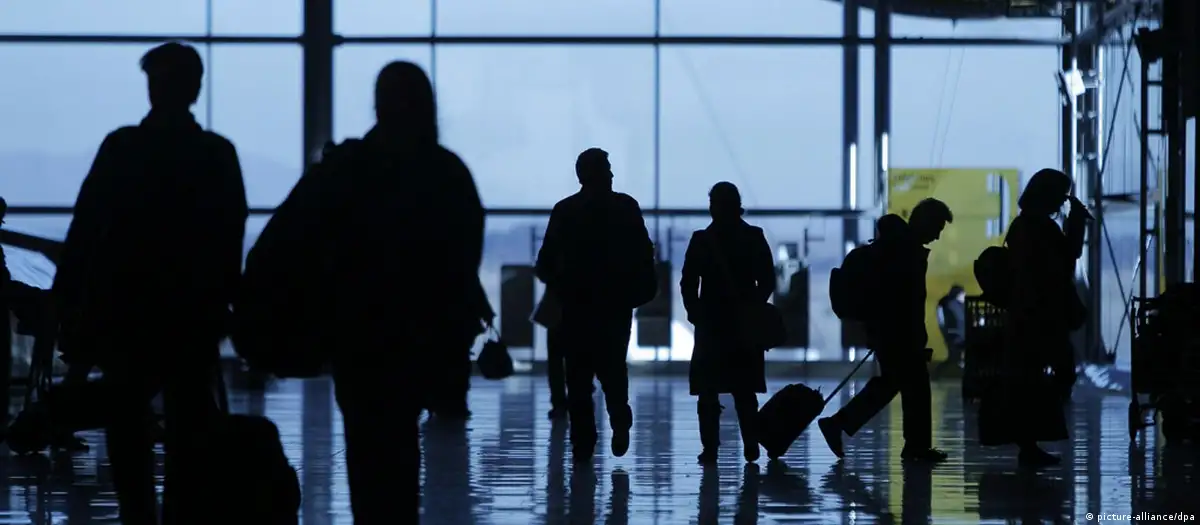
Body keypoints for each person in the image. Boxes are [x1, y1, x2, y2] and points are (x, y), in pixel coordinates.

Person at [52, 42, 247, 523]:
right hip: (190, 313)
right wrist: (226, 302)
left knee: (125, 420)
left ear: (152, 87)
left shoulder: (122, 148)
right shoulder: (216, 155)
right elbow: (229, 237)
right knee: (187, 422)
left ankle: (137, 514)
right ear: (196, 88)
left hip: (125, 310)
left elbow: (85, 228)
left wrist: (68, 298)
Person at [299, 61, 482, 521]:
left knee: (367, 455)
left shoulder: (347, 168)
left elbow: (314, 246)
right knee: (399, 453)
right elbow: (461, 262)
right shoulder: (446, 173)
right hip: (418, 341)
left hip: (358, 340)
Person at [535, 148, 655, 463]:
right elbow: (644, 255)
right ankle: (619, 415)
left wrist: (560, 281)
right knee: (613, 367)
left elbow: (545, 262)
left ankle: (583, 445)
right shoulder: (626, 208)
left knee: (578, 377)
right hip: (615, 305)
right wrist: (639, 290)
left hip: (574, 307)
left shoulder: (565, 211)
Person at [818, 199, 954, 464]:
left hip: (887, 329)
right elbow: (906, 301)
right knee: (913, 386)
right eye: (936, 227)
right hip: (897, 331)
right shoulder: (904, 252)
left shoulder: (894, 247)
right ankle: (914, 446)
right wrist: (914, 336)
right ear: (924, 221)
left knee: (893, 383)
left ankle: (840, 423)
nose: (937, 236)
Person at [984, 168, 1084, 467]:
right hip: (1039, 314)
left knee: (1030, 377)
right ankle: (1029, 441)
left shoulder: (1024, 226)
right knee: (1047, 374)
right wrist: (1076, 224)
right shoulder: (1039, 228)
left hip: (1027, 313)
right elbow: (1066, 260)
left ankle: (1028, 442)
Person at [680, 182, 775, 464]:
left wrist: (694, 311)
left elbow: (688, 282)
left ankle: (710, 448)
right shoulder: (754, 237)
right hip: (744, 324)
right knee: (744, 390)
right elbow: (768, 280)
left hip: (711, 323)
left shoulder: (701, 240)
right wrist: (754, 306)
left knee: (708, 391)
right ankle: (750, 445)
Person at [934, 284, 967, 377]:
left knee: (954, 358)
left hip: (957, 335)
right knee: (955, 358)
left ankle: (937, 373)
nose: (964, 295)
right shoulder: (953, 305)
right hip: (956, 336)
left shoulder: (955, 304)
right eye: (963, 294)